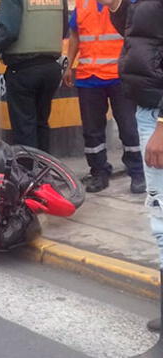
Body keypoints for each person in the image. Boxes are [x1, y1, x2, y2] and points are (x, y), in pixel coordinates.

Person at [101, 0, 163, 354]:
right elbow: (141, 39)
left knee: (162, 222)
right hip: (148, 106)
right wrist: (117, 6)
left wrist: (162, 125)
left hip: (158, 111)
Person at [63, 0, 145, 194]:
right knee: (92, 131)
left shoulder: (126, 3)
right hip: (88, 77)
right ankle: (99, 172)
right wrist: (69, 65)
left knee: (129, 128)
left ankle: (138, 173)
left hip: (119, 76)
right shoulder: (82, 4)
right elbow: (75, 35)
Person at [0, 0, 68, 153]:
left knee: (25, 127)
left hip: (23, 70)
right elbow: (63, 29)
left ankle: (27, 172)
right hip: (51, 68)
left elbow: (9, 31)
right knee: (41, 124)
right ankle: (44, 170)